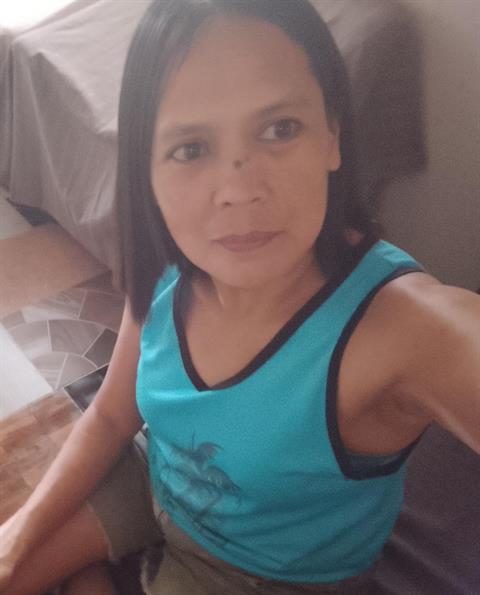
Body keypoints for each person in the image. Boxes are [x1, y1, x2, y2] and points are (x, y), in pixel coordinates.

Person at [1, 0, 479, 593]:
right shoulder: (169, 262)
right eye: (191, 149)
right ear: (148, 168)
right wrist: (15, 539)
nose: (239, 190)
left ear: (332, 135)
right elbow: (111, 416)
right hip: (155, 480)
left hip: (257, 574)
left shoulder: (399, 328)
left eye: (280, 129)